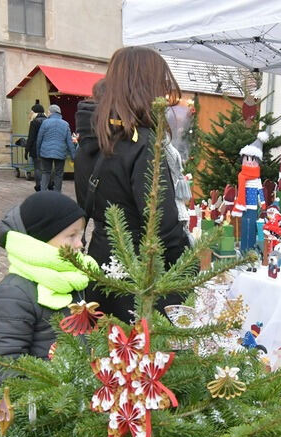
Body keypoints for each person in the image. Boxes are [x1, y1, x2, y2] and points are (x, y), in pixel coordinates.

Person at [75, 46, 189, 322]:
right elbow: (161, 222)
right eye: (160, 84)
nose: (163, 94)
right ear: (145, 85)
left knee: (106, 354)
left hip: (101, 260)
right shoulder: (143, 142)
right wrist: (188, 266)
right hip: (143, 272)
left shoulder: (94, 133)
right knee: (144, 359)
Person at [0, 191, 98, 384]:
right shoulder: (13, 294)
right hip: (48, 399)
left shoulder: (70, 275)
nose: (80, 244)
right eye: (71, 236)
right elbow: (7, 363)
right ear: (41, 239)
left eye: (81, 235)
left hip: (77, 390)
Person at [36, 104, 77, 191]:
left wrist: (38, 153)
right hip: (60, 152)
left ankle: (42, 193)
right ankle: (57, 194)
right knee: (59, 174)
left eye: (48, 112)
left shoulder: (45, 122)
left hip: (45, 151)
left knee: (46, 172)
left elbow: (39, 139)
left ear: (51, 112)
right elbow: (69, 142)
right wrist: (74, 156)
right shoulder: (65, 124)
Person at [25, 100, 47, 191]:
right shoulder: (48, 121)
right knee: (47, 168)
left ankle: (38, 186)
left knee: (37, 168)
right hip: (46, 147)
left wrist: (27, 150)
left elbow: (31, 137)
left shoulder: (34, 122)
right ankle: (47, 185)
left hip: (35, 148)